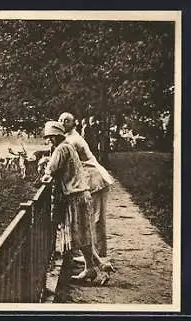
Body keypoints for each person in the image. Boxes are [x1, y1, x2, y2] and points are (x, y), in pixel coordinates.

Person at [41, 121, 110, 284]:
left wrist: (45, 169)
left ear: (58, 136)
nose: (49, 140)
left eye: (51, 137)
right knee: (81, 235)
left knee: (79, 235)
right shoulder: (68, 146)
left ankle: (96, 268)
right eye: (48, 138)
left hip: (75, 196)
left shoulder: (62, 148)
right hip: (80, 194)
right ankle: (95, 266)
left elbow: (51, 169)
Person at [58, 112, 114, 259]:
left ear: (73, 123)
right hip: (88, 177)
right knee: (91, 217)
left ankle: (98, 254)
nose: (63, 123)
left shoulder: (72, 140)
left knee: (96, 218)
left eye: (66, 121)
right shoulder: (67, 139)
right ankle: (94, 253)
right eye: (60, 120)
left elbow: (62, 161)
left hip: (95, 178)